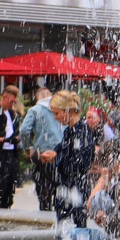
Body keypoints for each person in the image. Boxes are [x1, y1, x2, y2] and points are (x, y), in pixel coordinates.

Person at [46, 91, 96, 227]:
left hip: (75, 191)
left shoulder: (81, 133)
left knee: (73, 233)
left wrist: (57, 158)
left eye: (56, 113)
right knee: (67, 232)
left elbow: (80, 165)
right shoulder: (70, 131)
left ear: (67, 111)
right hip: (67, 190)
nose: (55, 118)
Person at [20, 86, 61, 210]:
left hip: (41, 154)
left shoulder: (35, 110)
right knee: (59, 185)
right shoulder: (60, 110)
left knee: (43, 186)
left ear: (38, 97)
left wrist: (28, 147)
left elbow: (24, 130)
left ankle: (45, 213)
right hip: (58, 153)